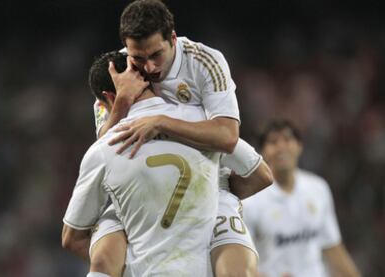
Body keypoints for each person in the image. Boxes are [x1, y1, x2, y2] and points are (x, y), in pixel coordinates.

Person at [91, 1, 266, 276]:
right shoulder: (119, 69)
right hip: (139, 193)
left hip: (204, 183)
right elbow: (102, 147)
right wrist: (122, 101)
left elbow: (227, 135)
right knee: (102, 262)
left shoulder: (204, 61)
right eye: (138, 57)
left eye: (156, 55)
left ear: (172, 38)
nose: (148, 67)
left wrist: (160, 123)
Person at [242, 119, 361, 277]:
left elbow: (332, 247)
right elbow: (243, 263)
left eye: (287, 139)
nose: (281, 147)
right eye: (273, 142)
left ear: (299, 146)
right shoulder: (250, 202)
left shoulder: (318, 188)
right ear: (262, 152)